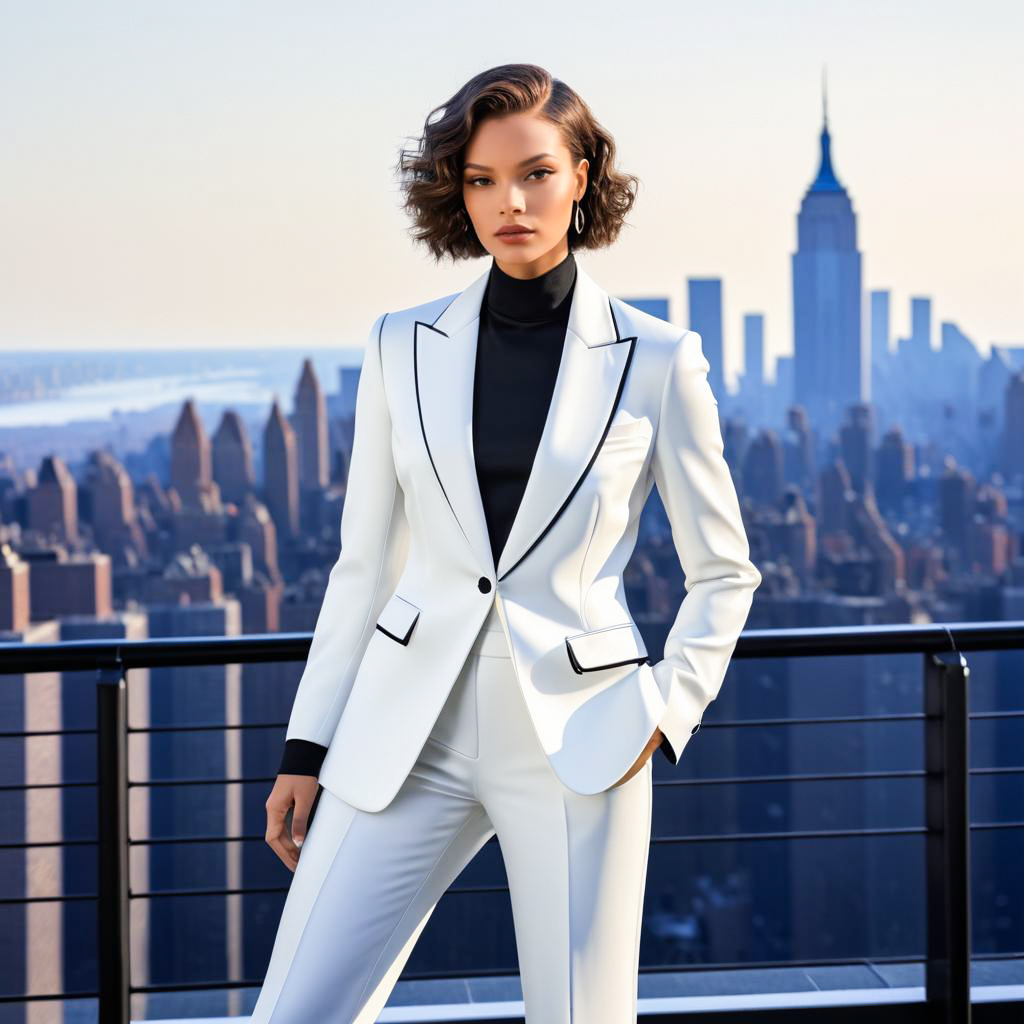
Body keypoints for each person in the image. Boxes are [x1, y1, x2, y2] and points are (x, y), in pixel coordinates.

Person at [250, 62, 761, 1023]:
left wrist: (664, 709)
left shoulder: (657, 359)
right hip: (406, 733)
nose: (509, 202)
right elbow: (363, 567)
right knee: (294, 1013)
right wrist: (304, 746)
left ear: (582, 177)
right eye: (481, 181)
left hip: (583, 738)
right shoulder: (400, 343)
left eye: (534, 173)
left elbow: (725, 570)